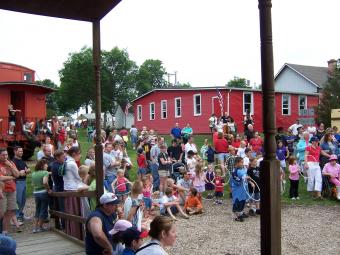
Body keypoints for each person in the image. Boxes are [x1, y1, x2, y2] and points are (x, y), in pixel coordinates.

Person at [63, 147, 83, 239]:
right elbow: (78, 177)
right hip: (72, 189)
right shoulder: (72, 164)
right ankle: (76, 233)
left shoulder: (66, 162)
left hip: (67, 188)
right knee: (74, 211)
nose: (80, 156)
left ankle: (72, 231)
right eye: (79, 153)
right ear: (74, 154)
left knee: (70, 211)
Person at [0, 148, 20, 235]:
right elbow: (1, 178)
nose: (5, 157)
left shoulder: (10, 163)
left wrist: (11, 166)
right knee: (1, 212)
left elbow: (17, 174)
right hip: (2, 190)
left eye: (6, 155)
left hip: (12, 190)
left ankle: (5, 231)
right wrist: (12, 177)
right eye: (3, 155)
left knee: (10, 211)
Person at [231, 157, 255, 222]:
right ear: (237, 163)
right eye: (241, 162)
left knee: (242, 202)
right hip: (237, 191)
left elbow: (246, 176)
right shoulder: (234, 171)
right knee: (237, 203)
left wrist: (251, 182)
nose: (243, 163)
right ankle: (236, 216)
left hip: (243, 190)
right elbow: (237, 180)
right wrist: (244, 178)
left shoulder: (242, 169)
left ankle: (241, 213)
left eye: (243, 162)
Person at [12, 146, 31, 222]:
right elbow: (18, 174)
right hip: (17, 182)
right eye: (19, 151)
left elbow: (28, 170)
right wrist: (23, 172)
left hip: (23, 181)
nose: (21, 152)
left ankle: (21, 214)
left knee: (23, 200)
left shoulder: (22, 161)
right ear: (15, 151)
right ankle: (16, 216)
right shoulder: (13, 161)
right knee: (18, 200)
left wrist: (24, 172)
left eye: (22, 151)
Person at [31, 159, 51, 233]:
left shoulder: (34, 173)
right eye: (46, 164)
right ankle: (40, 227)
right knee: (43, 209)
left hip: (36, 193)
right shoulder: (45, 172)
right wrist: (48, 190)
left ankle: (35, 227)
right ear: (42, 165)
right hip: (43, 192)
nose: (47, 166)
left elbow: (32, 184)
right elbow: (45, 182)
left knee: (38, 209)